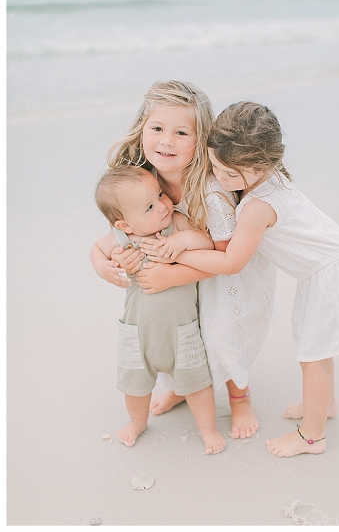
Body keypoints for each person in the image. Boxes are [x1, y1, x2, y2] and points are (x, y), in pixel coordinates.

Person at [141, 101, 339, 457]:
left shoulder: (257, 207)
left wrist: (179, 252)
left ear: (265, 165)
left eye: (234, 174)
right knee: (316, 348)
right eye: (217, 167)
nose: (222, 179)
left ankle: (312, 436)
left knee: (313, 354)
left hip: (331, 276)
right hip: (327, 270)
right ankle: (325, 406)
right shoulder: (267, 182)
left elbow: (232, 262)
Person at [90, 80, 276, 440]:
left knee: (221, 334)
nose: (166, 141)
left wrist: (174, 276)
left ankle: (240, 400)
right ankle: (180, 387)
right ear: (142, 129)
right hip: (178, 276)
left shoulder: (210, 189)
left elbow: (225, 254)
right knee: (184, 337)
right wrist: (112, 262)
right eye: (157, 128)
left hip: (224, 273)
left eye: (181, 132)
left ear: (200, 137)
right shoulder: (142, 176)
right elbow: (115, 236)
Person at [93, 166, 226, 454]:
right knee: (135, 385)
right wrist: (105, 268)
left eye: (161, 194)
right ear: (124, 225)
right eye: (150, 207)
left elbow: (206, 242)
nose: (164, 206)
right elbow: (96, 250)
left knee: (196, 383)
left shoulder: (175, 224)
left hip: (183, 330)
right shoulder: (122, 241)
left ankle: (208, 428)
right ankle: (137, 421)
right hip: (137, 333)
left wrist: (179, 242)